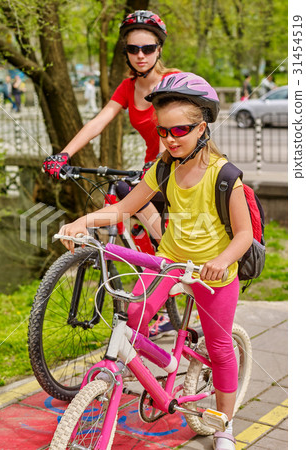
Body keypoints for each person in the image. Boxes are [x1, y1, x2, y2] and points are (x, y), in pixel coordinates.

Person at [57, 72, 253, 450]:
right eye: (163, 131)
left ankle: (225, 424)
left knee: (219, 347)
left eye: (180, 130)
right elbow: (122, 210)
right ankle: (159, 371)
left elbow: (243, 235)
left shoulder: (225, 176)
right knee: (134, 316)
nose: (170, 139)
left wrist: (221, 260)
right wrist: (82, 221)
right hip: (170, 260)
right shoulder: (162, 168)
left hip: (214, 271)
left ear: (203, 127)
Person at [43, 10, 180, 338]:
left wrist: (160, 161)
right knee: (123, 196)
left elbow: (182, 126)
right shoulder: (128, 86)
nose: (141, 55)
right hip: (152, 170)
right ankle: (160, 277)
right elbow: (99, 121)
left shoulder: (174, 79)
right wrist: (65, 153)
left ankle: (171, 275)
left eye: (147, 48)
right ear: (127, 54)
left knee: (156, 229)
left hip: (178, 166)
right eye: (133, 50)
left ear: (159, 48)